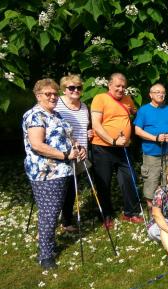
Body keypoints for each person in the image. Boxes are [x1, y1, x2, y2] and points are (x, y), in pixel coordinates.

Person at [22, 79, 85, 269]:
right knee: (49, 213)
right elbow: (37, 145)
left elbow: (67, 136)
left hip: (62, 170)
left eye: (55, 94)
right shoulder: (34, 115)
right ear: (38, 95)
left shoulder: (55, 115)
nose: (52, 97)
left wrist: (78, 146)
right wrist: (65, 154)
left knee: (53, 211)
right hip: (46, 172)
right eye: (48, 94)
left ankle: (48, 246)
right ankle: (46, 255)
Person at [91, 73, 143, 228]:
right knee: (103, 182)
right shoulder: (100, 98)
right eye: (117, 86)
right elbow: (96, 124)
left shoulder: (128, 99)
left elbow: (138, 113)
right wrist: (112, 140)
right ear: (109, 85)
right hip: (103, 147)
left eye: (123, 86)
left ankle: (130, 212)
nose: (121, 89)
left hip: (123, 148)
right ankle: (105, 215)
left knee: (129, 179)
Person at [55, 74, 93, 232]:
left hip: (80, 153)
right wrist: (72, 145)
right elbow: (56, 131)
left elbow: (83, 128)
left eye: (78, 87)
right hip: (62, 153)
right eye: (71, 88)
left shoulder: (84, 106)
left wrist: (88, 134)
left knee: (72, 188)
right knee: (58, 189)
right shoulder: (57, 105)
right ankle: (49, 223)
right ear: (64, 90)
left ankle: (66, 221)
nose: (75, 90)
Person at [134, 83, 168, 210]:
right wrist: (155, 138)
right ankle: (151, 209)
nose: (161, 94)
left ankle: (166, 206)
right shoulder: (144, 110)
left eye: (163, 92)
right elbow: (137, 130)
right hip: (151, 152)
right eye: (157, 92)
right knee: (151, 180)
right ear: (150, 95)